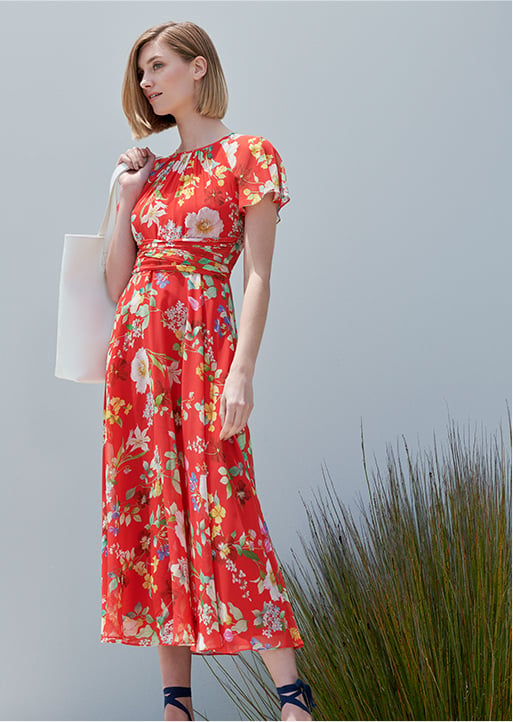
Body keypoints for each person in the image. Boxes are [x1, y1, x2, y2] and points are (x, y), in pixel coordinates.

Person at [102, 20, 314, 722]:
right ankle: (176, 704)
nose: (147, 82)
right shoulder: (151, 170)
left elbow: (257, 278)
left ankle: (292, 697)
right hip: (135, 365)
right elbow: (115, 285)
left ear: (198, 68)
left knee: (226, 504)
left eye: (158, 66)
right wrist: (122, 197)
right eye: (141, 73)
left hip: (202, 352)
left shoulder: (246, 156)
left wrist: (242, 373)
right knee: (156, 516)